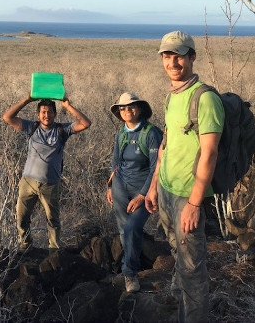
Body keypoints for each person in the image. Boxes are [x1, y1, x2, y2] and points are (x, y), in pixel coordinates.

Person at [145, 31, 224, 323]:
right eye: (167, 55)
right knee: (177, 254)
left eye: (178, 55)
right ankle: (178, 306)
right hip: (166, 189)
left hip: (187, 196)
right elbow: (166, 145)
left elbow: (210, 154)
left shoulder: (205, 98)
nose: (172, 61)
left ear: (192, 56)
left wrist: (194, 203)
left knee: (193, 272)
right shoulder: (172, 96)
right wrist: (154, 186)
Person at [2, 95, 91, 251]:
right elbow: (7, 117)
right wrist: (27, 100)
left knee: (52, 220)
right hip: (28, 182)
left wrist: (68, 106)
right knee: (21, 218)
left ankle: (54, 251)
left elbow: (86, 123)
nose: (46, 115)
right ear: (38, 114)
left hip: (50, 183)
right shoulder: (32, 127)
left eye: (50, 112)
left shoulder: (62, 130)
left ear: (55, 114)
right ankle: (25, 246)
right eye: (43, 112)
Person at [107, 92, 162, 293]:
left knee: (132, 228)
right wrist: (110, 186)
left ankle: (130, 274)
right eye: (122, 108)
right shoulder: (121, 134)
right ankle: (131, 267)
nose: (127, 111)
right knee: (124, 230)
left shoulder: (151, 133)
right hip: (121, 187)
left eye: (131, 107)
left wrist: (143, 195)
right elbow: (116, 161)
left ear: (139, 109)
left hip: (145, 191)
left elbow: (157, 166)